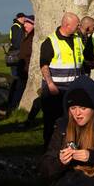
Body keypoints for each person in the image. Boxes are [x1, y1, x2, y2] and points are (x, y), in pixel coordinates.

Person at [38, 12, 86, 146]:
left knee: (72, 120)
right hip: (56, 89)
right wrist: (50, 84)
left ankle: (70, 146)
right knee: (52, 120)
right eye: (77, 25)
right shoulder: (50, 42)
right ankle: (49, 147)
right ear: (66, 25)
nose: (79, 27)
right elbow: (44, 65)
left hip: (74, 87)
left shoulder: (78, 38)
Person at [4, 14, 34, 116]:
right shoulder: (17, 28)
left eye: (27, 22)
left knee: (18, 84)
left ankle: (12, 105)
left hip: (24, 66)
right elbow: (17, 43)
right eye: (24, 21)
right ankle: (12, 106)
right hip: (20, 64)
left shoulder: (29, 34)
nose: (24, 24)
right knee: (17, 83)